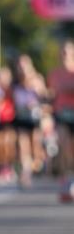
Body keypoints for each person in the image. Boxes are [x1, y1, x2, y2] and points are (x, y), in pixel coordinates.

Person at [12, 54, 47, 189]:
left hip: (35, 118)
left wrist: (38, 92)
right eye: (20, 66)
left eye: (24, 65)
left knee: (35, 146)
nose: (22, 69)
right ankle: (26, 174)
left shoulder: (37, 79)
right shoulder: (15, 82)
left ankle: (38, 164)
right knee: (23, 145)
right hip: (21, 118)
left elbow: (46, 98)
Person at [47, 40, 74, 202]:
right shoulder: (54, 74)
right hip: (62, 115)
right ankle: (65, 180)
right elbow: (51, 94)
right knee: (63, 146)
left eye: (69, 52)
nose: (66, 55)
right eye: (63, 52)